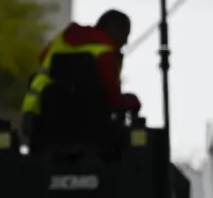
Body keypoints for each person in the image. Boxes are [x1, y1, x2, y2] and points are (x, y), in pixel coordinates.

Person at [20, 9, 141, 139]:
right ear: (114, 29)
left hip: (39, 118)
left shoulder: (62, 39)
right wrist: (130, 101)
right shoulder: (104, 53)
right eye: (125, 34)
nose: (125, 41)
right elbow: (113, 98)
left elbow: (41, 59)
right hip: (90, 130)